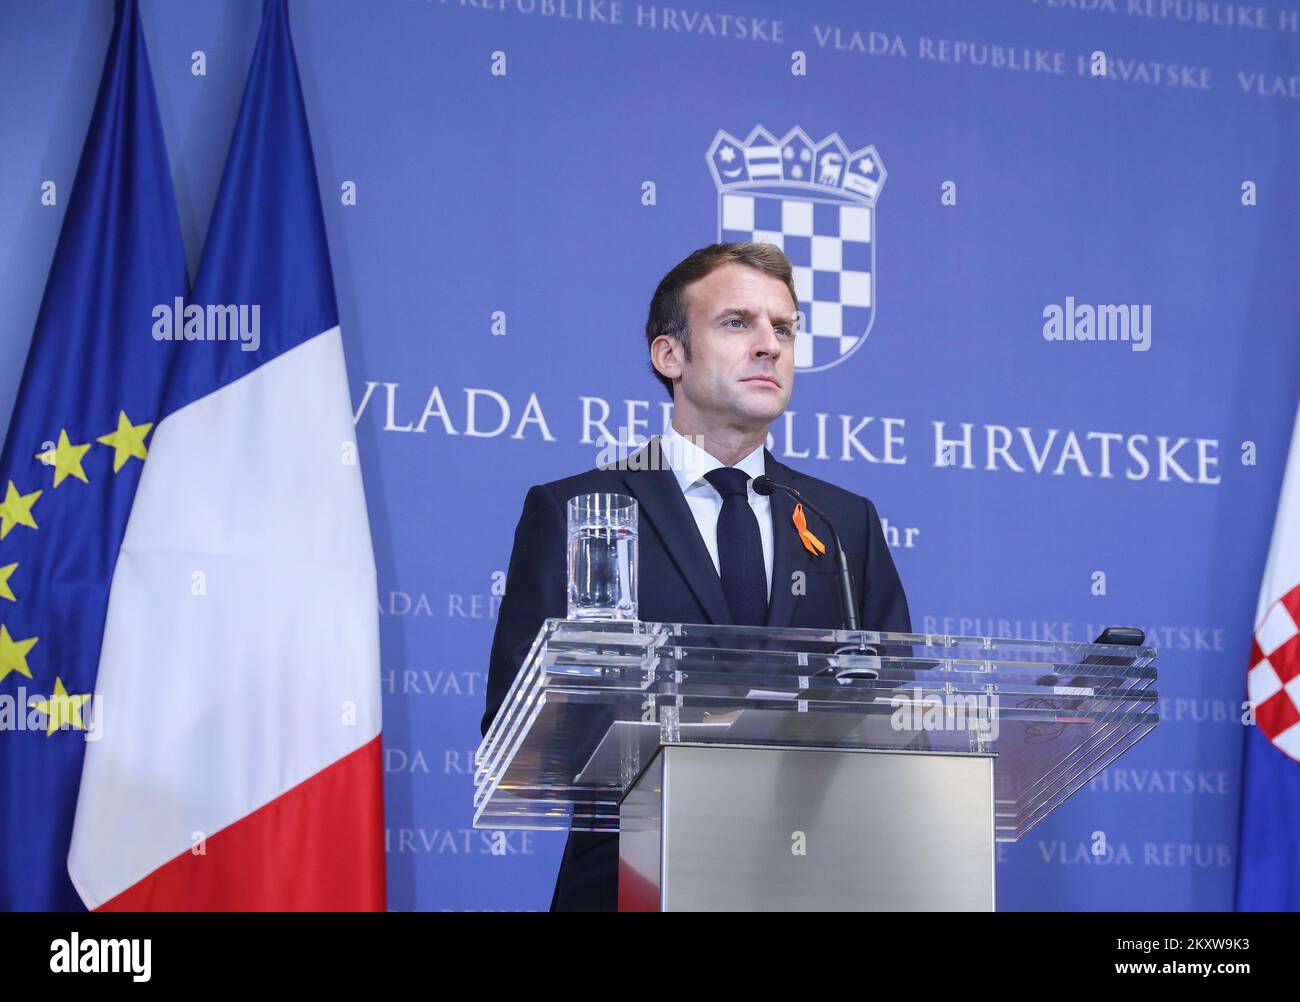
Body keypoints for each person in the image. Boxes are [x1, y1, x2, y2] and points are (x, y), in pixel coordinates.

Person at [480, 241, 911, 911]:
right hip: (633, 879)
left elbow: (897, 708)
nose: (770, 345)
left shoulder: (842, 522)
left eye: (784, 328)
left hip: (815, 880)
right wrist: (721, 723)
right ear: (669, 356)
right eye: (738, 323)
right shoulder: (579, 510)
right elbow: (522, 722)